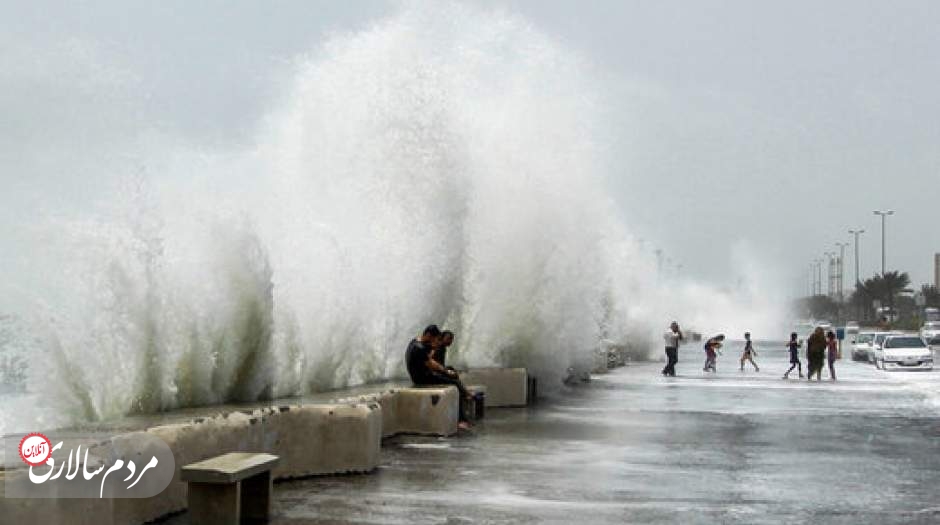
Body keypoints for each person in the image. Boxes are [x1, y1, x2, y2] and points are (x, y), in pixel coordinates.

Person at [405, 325, 473, 428]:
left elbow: (430, 361)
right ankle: (461, 420)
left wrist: (446, 371)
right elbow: (432, 364)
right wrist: (446, 371)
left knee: (451, 374)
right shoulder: (420, 348)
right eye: (434, 338)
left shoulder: (415, 342)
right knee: (454, 383)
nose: (436, 341)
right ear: (428, 335)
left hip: (423, 374)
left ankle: (466, 396)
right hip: (422, 378)